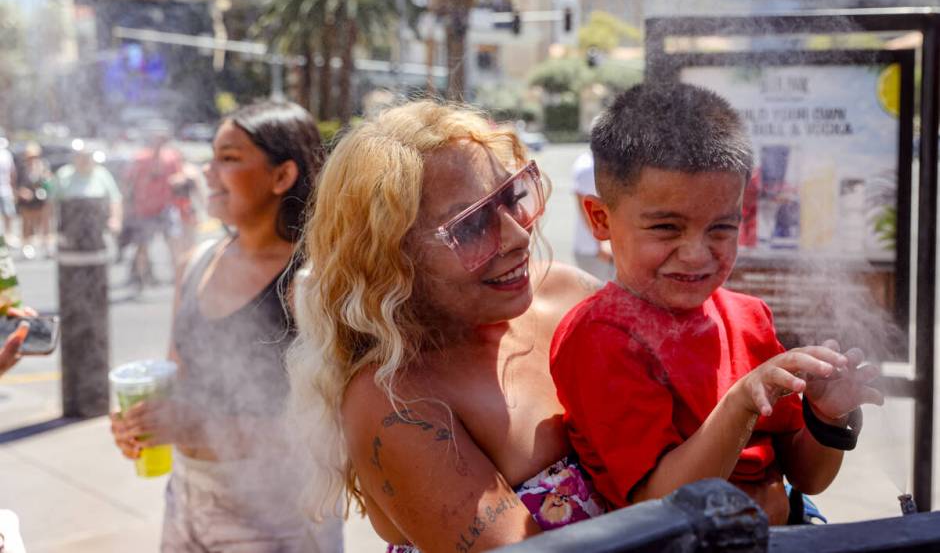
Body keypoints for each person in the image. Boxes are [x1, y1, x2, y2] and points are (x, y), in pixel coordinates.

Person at [550, 83, 885, 526]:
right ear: (600, 219)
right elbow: (661, 505)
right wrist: (741, 403)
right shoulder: (602, 338)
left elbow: (807, 476)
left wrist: (827, 415)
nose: (696, 253)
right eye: (667, 227)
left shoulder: (748, 317)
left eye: (722, 227)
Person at [287, 101, 608, 553]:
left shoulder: (565, 293)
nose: (518, 237)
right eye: (473, 224)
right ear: (393, 259)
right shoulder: (398, 399)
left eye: (513, 196)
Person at [108, 101, 342, 552]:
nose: (207, 172)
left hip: (279, 515)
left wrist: (198, 426)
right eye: (211, 156)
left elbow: (331, 430)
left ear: (282, 176)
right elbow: (176, 379)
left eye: (229, 158)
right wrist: (140, 422)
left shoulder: (311, 281)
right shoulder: (197, 261)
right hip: (186, 496)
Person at [123, 132, 183, 288]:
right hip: (145, 209)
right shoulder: (140, 158)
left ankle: (179, 278)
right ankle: (141, 278)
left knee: (173, 243)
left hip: (165, 207)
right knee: (143, 245)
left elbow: (178, 177)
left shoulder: (171, 157)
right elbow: (128, 180)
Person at [53, 140, 123, 235]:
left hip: (97, 230)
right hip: (69, 229)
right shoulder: (64, 174)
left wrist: (115, 219)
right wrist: (48, 229)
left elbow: (115, 199)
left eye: (87, 157)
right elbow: (50, 202)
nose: (84, 161)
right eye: (81, 157)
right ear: (75, 158)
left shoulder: (102, 174)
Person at [571, 149, 615, 281]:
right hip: (596, 252)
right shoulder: (589, 167)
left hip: (595, 248)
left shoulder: (588, 161)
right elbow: (586, 208)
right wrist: (602, 244)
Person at [15, 142, 54, 259]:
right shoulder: (22, 168)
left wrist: (47, 179)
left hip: (41, 199)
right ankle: (26, 247)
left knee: (45, 224)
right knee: (27, 224)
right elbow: (16, 183)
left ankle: (47, 247)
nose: (33, 159)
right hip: (27, 200)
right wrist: (21, 192)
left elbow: (48, 180)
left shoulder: (43, 166)